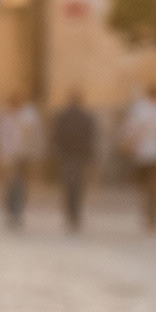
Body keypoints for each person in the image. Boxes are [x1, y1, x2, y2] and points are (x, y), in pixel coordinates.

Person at [122, 84, 156, 230]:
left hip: (145, 154)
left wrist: (130, 144)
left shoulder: (141, 108)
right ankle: (152, 216)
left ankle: (150, 216)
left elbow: (132, 129)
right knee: (155, 186)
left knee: (147, 187)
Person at [49, 91, 97, 234]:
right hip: (78, 156)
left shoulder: (63, 117)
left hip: (67, 156)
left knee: (69, 185)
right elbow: (91, 138)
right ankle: (75, 214)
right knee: (77, 186)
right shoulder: (86, 118)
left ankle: (71, 213)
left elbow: (56, 137)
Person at [0, 94, 44, 230]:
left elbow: (34, 136)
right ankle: (11, 210)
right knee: (10, 184)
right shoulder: (4, 116)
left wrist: (35, 154)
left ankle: (17, 211)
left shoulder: (28, 116)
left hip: (22, 156)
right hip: (8, 156)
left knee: (19, 184)